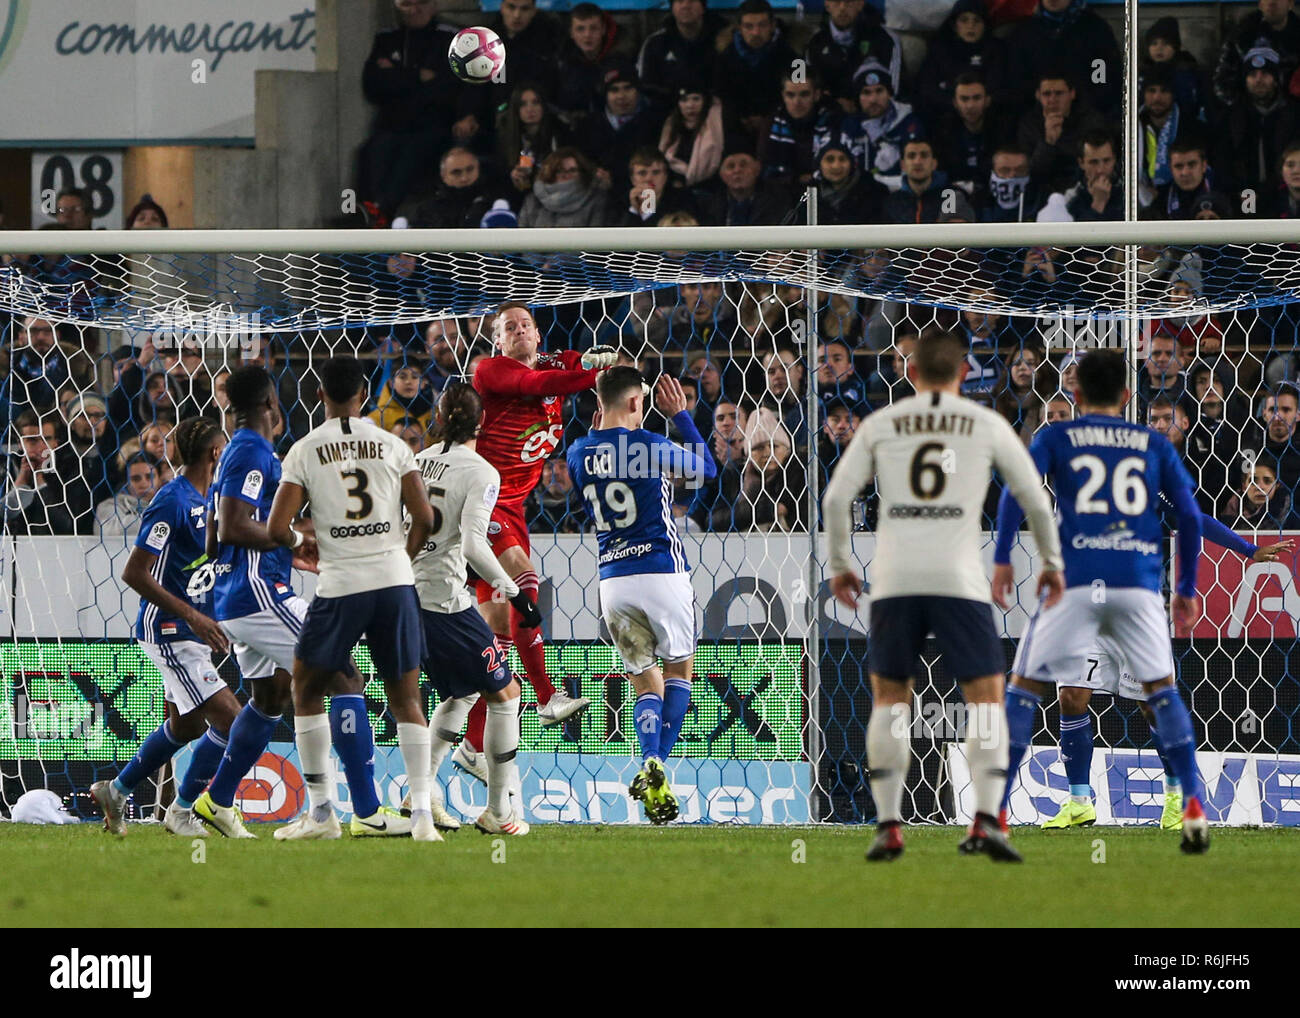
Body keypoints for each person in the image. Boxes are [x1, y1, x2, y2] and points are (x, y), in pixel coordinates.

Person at [824, 327, 1064, 862]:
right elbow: (1034, 498)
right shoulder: (984, 423)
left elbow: (837, 496)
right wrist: (1050, 563)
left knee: (890, 700)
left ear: (910, 373)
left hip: (894, 581)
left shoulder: (883, 423)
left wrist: (841, 565)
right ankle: (985, 821)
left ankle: (888, 825)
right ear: (962, 373)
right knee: (985, 702)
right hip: (959, 581)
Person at [993, 349, 1211, 854]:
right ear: (1128, 395)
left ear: (1076, 394)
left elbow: (1015, 493)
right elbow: (1192, 519)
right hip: (1137, 588)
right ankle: (1106, 800)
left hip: (1076, 584)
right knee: (1157, 692)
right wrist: (1186, 589)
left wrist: (1003, 557)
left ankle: (995, 812)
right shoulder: (1152, 442)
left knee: (1024, 687)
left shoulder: (1055, 436)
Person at [263, 355, 438, 841]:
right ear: (364, 396)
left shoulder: (303, 449)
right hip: (394, 580)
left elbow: (278, 529)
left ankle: (322, 814)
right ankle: (422, 816)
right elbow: (424, 518)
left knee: (305, 688)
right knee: (406, 697)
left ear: (320, 395)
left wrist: (304, 544)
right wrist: (397, 559)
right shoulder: (393, 444)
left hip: (340, 584)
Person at [455, 303, 606, 780]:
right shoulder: (492, 371)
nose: (518, 331)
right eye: (508, 328)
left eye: (526, 325)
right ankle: (546, 697)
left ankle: (471, 746)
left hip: (514, 510)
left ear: (538, 334)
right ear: (497, 340)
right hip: (482, 503)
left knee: (496, 638)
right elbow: (538, 385)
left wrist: (588, 362)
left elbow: (570, 363)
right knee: (525, 588)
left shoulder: (551, 365)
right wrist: (587, 374)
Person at [568, 369, 716, 822]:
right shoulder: (650, 444)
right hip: (662, 573)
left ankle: (650, 765)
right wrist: (681, 417)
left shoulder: (578, 451)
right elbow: (706, 470)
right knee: (678, 673)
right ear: (637, 403)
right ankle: (656, 763)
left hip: (612, 581)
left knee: (642, 681)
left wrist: (598, 432)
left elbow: (585, 473)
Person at [90, 418, 235, 838]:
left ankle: (116, 791)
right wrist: (192, 615)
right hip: (169, 628)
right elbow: (133, 573)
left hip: (194, 628)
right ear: (213, 454)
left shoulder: (210, 497)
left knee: (187, 725)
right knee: (232, 721)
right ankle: (184, 809)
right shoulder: (171, 500)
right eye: (222, 448)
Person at [408, 384, 541, 834]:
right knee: (507, 695)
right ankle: (499, 813)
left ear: (439, 418)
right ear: (482, 425)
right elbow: (472, 544)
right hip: (445, 602)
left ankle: (418, 794)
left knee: (461, 693)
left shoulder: (415, 461)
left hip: (406, 599)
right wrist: (514, 591)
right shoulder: (483, 471)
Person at [190, 366, 316, 839]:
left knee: (270, 697)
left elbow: (210, 538)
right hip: (258, 592)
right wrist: (289, 538)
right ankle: (338, 808)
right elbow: (232, 528)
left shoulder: (232, 452)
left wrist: (288, 545)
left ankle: (217, 802)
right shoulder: (252, 451)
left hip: (234, 595)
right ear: (271, 404)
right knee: (341, 674)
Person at [1005, 0, 1122, 116]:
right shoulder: (1024, 34)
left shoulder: (1096, 30)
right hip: (1035, 123)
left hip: (1086, 121)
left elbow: (1104, 79)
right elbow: (1016, 86)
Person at [713, 0, 796, 143]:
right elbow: (720, 94)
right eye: (748, 26)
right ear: (739, 28)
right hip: (736, 128)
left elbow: (801, 90)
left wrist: (769, 118)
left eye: (762, 25)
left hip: (782, 126)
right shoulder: (723, 57)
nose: (756, 32)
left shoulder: (795, 58)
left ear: (772, 25)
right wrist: (741, 118)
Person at [804, 0, 901, 111]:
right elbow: (806, 90)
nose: (842, 8)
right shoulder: (815, 42)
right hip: (828, 117)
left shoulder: (884, 39)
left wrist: (857, 106)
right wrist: (834, 105)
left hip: (873, 115)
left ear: (860, 4)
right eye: (837, 2)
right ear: (827, 4)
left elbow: (894, 91)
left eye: (849, 2)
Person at [637, 0, 727, 116]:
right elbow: (646, 87)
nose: (685, 5)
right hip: (668, 115)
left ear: (703, 7)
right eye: (679, 1)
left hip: (716, 114)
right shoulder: (655, 43)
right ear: (672, 7)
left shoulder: (724, 40)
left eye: (692, 1)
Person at [518, 148, 611, 229]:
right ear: (551, 173)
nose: (566, 175)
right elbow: (521, 235)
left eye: (572, 170)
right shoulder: (533, 201)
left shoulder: (596, 200)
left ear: (582, 172)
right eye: (560, 170)